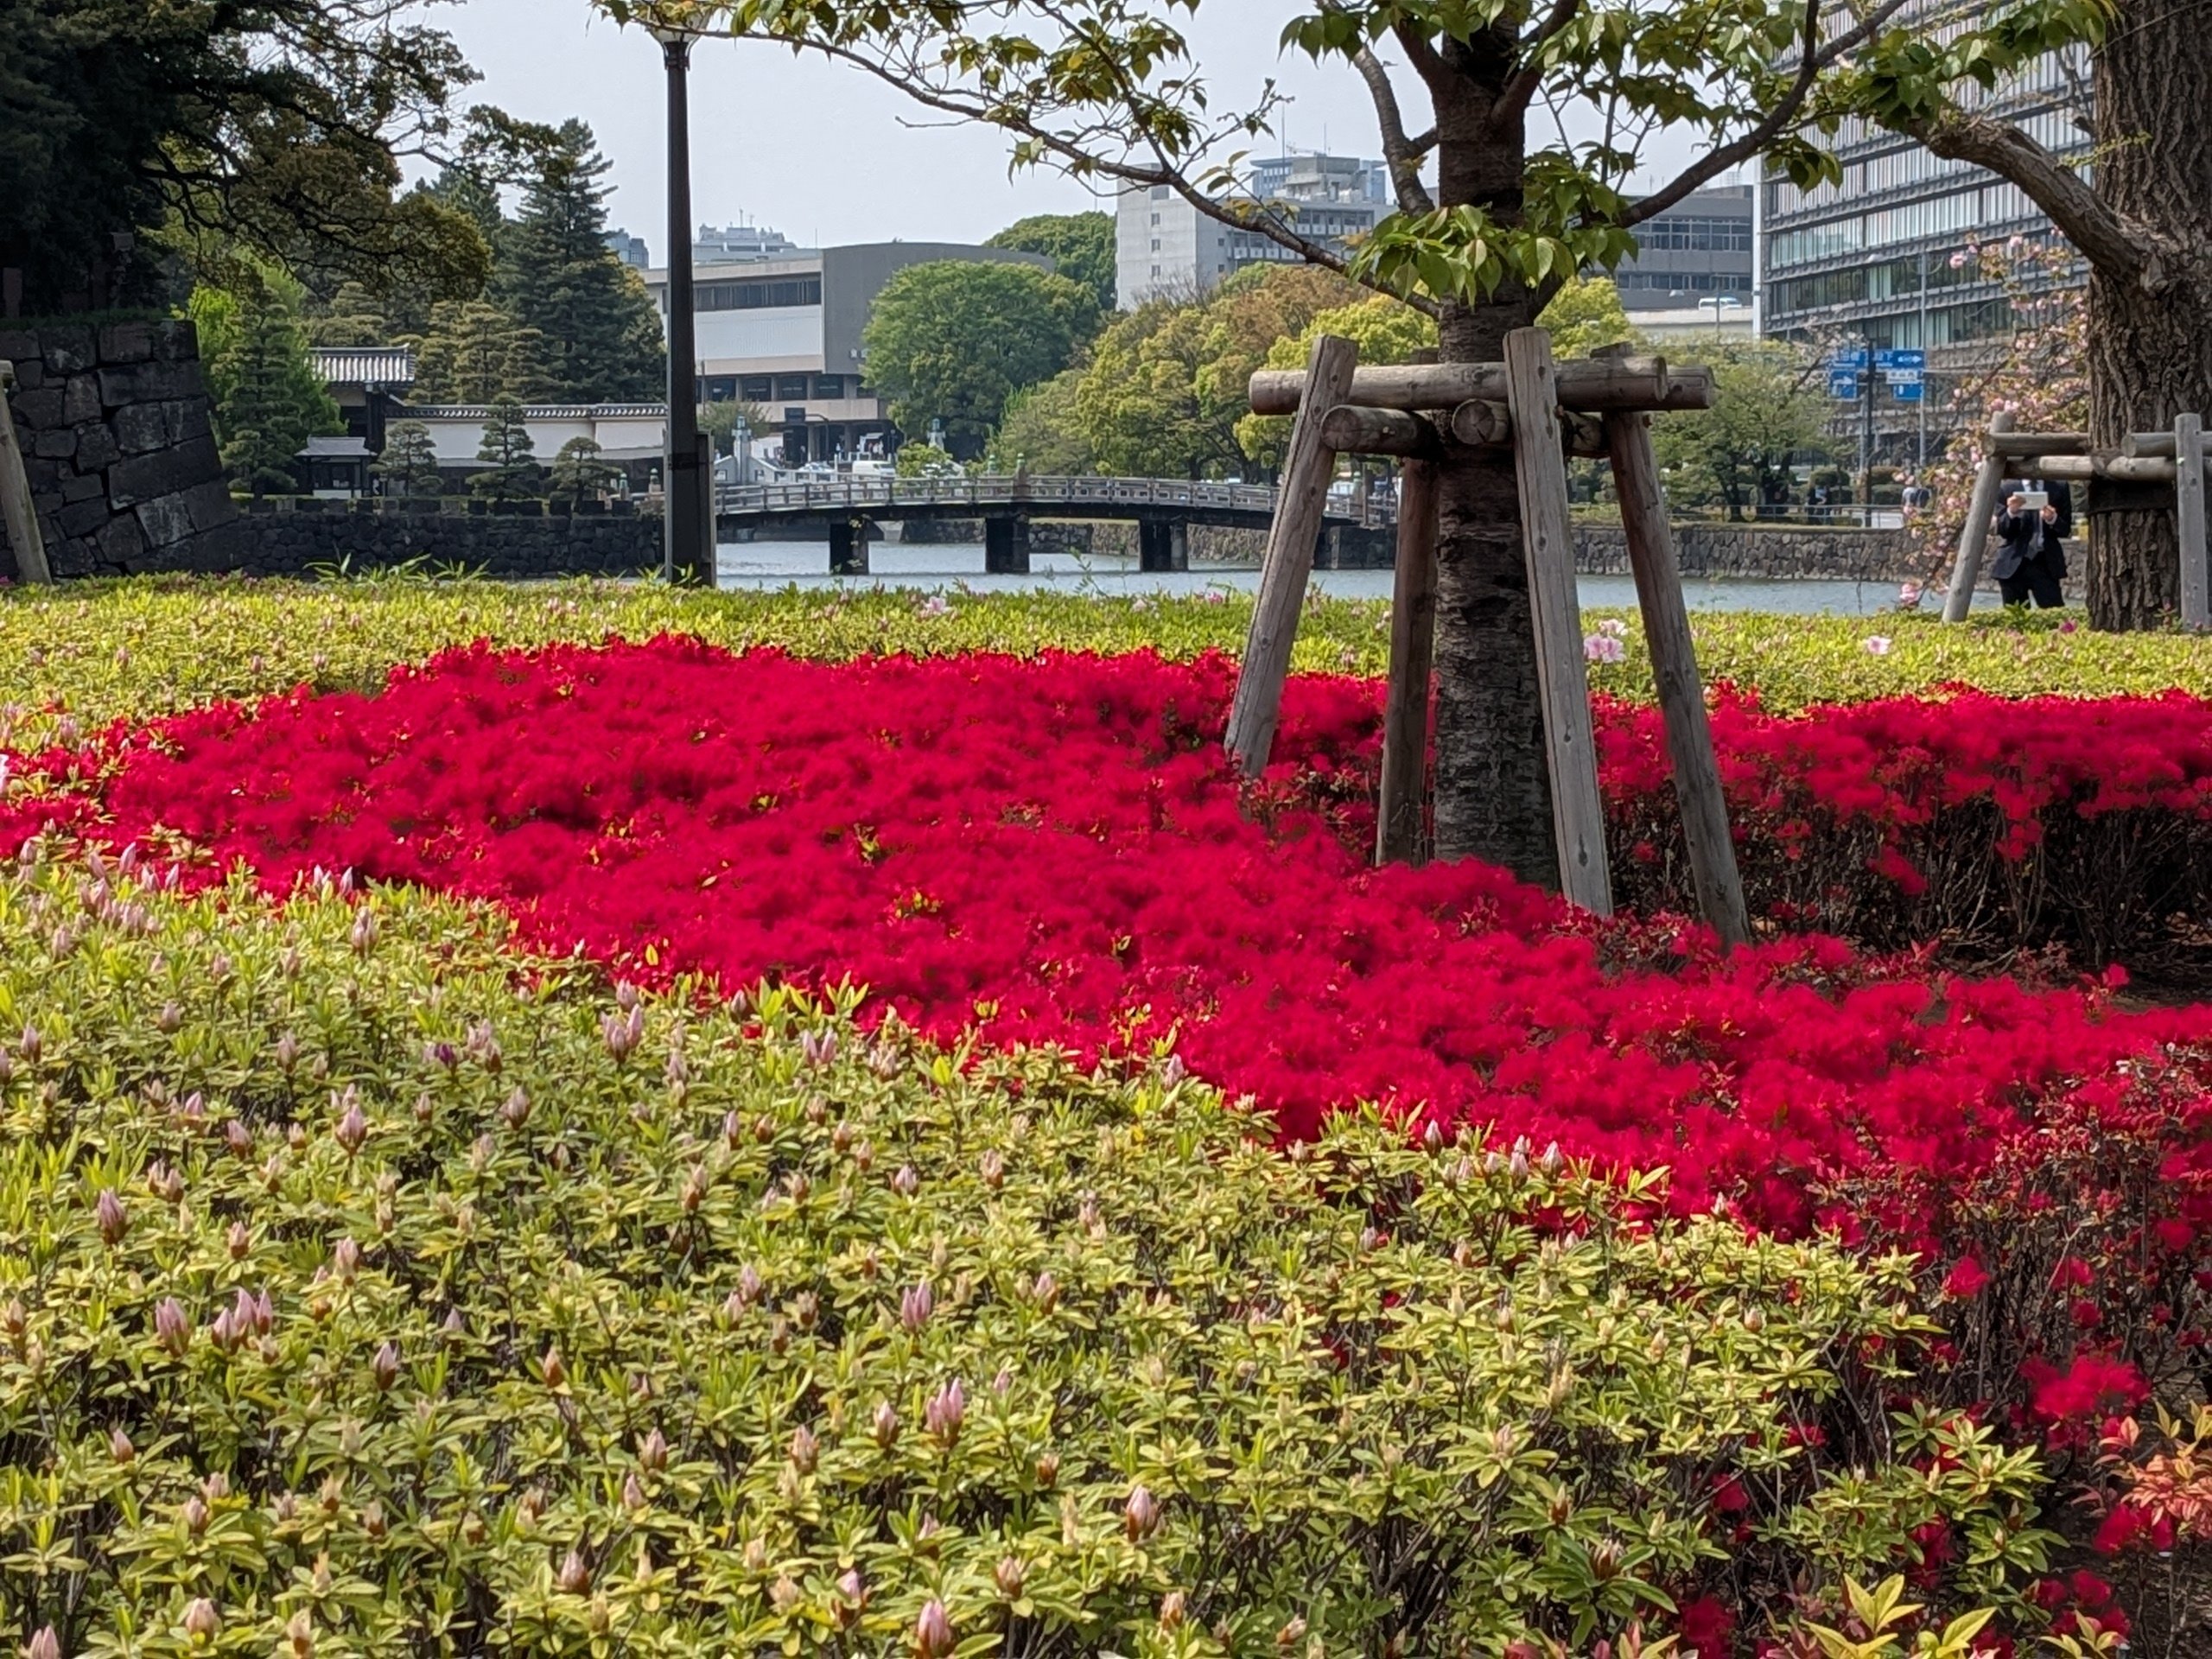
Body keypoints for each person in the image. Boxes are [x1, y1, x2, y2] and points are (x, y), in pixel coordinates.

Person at [1993, 490, 2066, 608]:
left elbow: (2065, 529)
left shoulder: (2057, 487)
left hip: (2046, 563)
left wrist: (2053, 519)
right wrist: (2011, 512)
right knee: (2014, 618)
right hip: (2012, 564)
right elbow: (2002, 530)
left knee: (2055, 618)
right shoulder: (2006, 487)